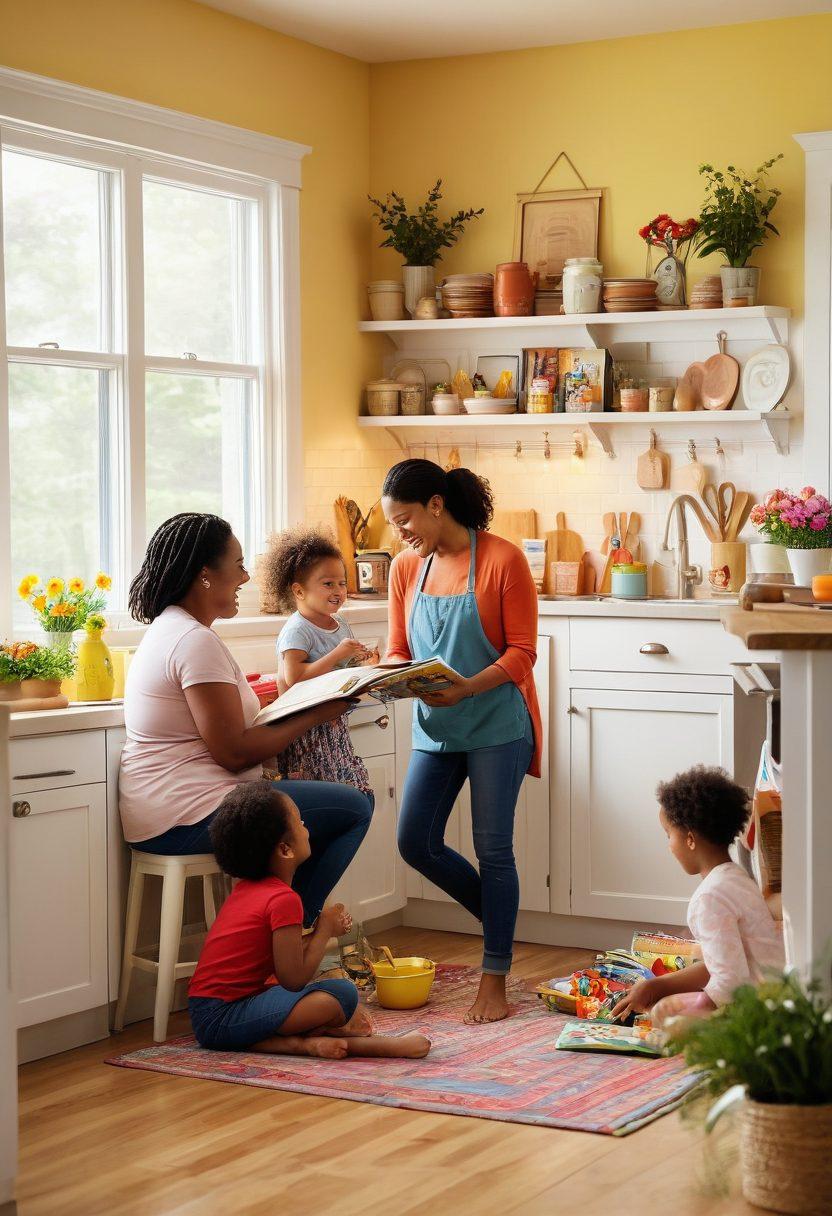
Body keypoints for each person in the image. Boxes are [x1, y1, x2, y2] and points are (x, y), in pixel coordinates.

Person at [119, 512, 373, 930]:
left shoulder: (173, 629)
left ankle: (277, 936)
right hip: (188, 816)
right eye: (238, 565)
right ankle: (289, 935)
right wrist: (316, 714)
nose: (245, 577)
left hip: (168, 811)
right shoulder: (193, 640)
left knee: (328, 809)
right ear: (205, 574)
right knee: (356, 806)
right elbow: (233, 753)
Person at [382, 458, 542, 1024]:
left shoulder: (502, 559)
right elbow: (400, 647)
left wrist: (467, 687)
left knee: (493, 849)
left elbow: (523, 653)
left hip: (498, 722)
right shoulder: (406, 569)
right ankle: (502, 921)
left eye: (404, 522)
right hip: (436, 726)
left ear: (435, 504)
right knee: (414, 842)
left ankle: (493, 977)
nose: (400, 535)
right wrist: (390, 676)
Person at [188, 781, 430, 1059]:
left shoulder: (247, 889)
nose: (307, 828)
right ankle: (301, 1044)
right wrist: (325, 930)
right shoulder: (283, 899)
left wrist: (323, 932)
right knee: (341, 995)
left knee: (336, 993)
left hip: (213, 1012)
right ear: (285, 849)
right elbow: (294, 978)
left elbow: (284, 958)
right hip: (221, 1020)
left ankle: (313, 1041)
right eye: (300, 822)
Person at [612, 766, 785, 1026]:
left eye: (668, 835)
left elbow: (729, 981)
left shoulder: (709, 898)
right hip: (779, 995)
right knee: (668, 1000)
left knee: (662, 1013)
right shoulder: (737, 879)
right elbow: (722, 965)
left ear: (690, 839)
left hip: (757, 1010)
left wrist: (697, 1007)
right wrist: (657, 985)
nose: (669, 846)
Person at [258, 526, 376, 793]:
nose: (338, 590)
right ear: (299, 591)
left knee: (356, 791)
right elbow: (295, 677)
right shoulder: (297, 629)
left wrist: (362, 661)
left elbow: (343, 670)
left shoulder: (341, 623)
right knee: (333, 795)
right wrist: (339, 653)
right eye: (327, 584)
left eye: (342, 583)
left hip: (335, 725)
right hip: (305, 733)